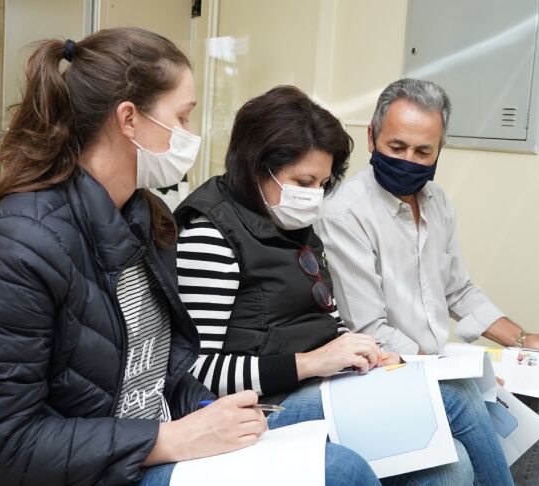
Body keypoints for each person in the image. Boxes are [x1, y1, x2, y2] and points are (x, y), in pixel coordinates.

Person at [0, 28, 373, 486]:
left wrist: (209, 409)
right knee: (342, 472)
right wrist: (169, 440)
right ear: (128, 119)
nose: (190, 136)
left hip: (159, 440)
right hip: (107, 468)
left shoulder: (144, 216)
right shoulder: (17, 245)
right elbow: (2, 444)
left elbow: (163, 369)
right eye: (182, 118)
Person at [174, 85, 514, 485]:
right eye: (302, 181)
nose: (313, 196)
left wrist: (363, 352)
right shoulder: (209, 235)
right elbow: (195, 370)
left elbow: (327, 318)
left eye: (322, 184)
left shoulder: (293, 223)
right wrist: (313, 363)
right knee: (455, 392)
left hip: (322, 384)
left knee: (450, 463)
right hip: (265, 405)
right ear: (255, 166)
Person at [314, 78, 539, 486]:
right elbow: (370, 331)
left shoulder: (437, 201)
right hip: (390, 374)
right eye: (397, 147)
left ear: (440, 149)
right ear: (371, 138)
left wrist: (523, 338)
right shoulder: (344, 214)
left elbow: (458, 289)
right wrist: (458, 373)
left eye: (424, 151)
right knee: (455, 464)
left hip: (442, 361)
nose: (409, 160)